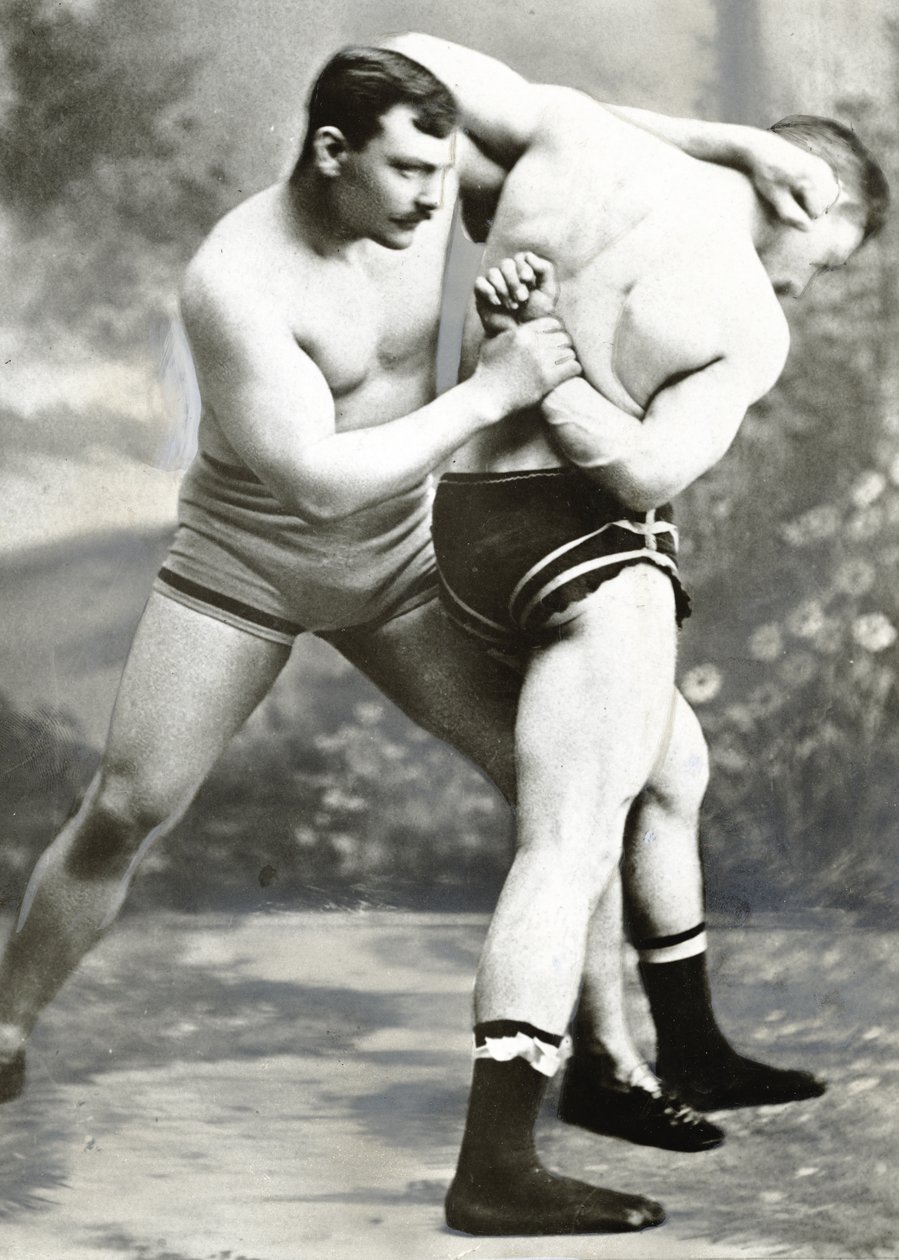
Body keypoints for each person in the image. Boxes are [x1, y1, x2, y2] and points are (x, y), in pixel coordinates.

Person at [0, 39, 846, 1237]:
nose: (432, 201)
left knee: (573, 786)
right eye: (404, 175)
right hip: (245, 563)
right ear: (330, 152)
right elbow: (313, 481)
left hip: (404, 565)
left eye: (444, 176)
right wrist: (493, 391)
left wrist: (732, 145)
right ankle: (7, 1023)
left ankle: (609, 1063)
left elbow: (566, 119)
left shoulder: (426, 199)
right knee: (129, 805)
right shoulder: (236, 279)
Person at [422, 55, 888, 1234]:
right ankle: (497, 1165)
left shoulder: (579, 140)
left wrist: (725, 137)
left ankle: (685, 1048)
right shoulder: (742, 308)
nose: (803, 287)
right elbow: (641, 471)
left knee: (672, 769)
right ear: (805, 204)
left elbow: (415, 68)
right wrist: (552, 356)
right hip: (585, 551)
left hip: (461, 522)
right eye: (819, 268)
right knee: (568, 843)